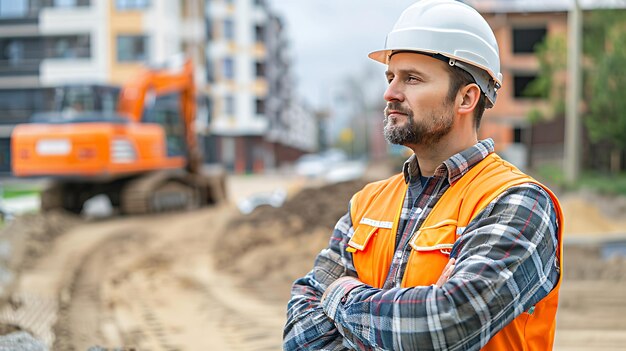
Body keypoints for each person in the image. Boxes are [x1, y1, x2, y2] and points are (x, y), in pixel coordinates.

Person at [283, 0, 564, 350]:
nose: (389, 93)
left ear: (466, 98)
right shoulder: (366, 204)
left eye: (411, 79)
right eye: (390, 77)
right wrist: (407, 317)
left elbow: (444, 326)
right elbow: (300, 334)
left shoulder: (517, 202)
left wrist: (340, 294)